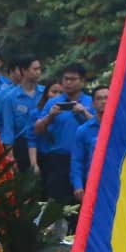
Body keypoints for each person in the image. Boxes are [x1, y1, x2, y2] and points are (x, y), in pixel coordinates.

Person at [31, 64, 93, 205]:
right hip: (59, 159)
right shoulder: (53, 103)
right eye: (65, 79)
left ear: (82, 81)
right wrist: (50, 116)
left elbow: (101, 128)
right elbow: (37, 130)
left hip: (86, 159)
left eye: (73, 79)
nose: (68, 83)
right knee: (58, 203)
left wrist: (84, 112)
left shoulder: (90, 102)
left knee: (86, 202)